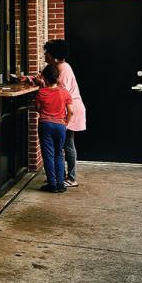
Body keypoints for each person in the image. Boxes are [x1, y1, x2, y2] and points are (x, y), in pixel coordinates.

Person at [44, 39, 86, 187]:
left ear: (53, 55)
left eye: (47, 53)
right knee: (62, 144)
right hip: (65, 109)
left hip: (70, 110)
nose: (45, 55)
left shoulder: (64, 68)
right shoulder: (56, 67)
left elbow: (61, 91)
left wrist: (42, 85)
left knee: (67, 144)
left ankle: (72, 178)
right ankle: (59, 175)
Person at [34, 63, 73, 193]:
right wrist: (65, 123)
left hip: (45, 125)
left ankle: (52, 184)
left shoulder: (41, 93)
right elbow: (71, 111)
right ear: (57, 77)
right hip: (60, 125)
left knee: (48, 155)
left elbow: (38, 109)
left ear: (44, 78)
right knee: (59, 154)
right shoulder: (64, 92)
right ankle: (61, 184)